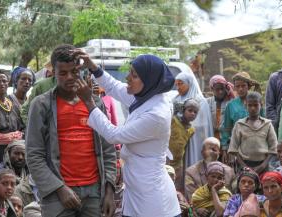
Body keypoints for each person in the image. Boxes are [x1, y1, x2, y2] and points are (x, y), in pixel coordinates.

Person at [75, 52, 181, 217]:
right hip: (137, 190)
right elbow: (113, 87)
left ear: (149, 80)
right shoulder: (146, 96)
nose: (127, 77)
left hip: (153, 199)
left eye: (134, 75)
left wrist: (89, 101)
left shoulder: (157, 114)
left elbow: (114, 135)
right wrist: (92, 66)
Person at [26, 44, 117, 217]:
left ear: (81, 70)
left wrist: (109, 191)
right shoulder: (40, 105)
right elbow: (33, 154)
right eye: (63, 73)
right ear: (53, 72)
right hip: (57, 194)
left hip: (94, 193)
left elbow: (108, 150)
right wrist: (59, 188)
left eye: (74, 72)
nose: (69, 77)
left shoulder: (95, 103)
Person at [228, 92, 277, 174]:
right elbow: (234, 149)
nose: (253, 108)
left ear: (261, 105)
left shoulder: (267, 124)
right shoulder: (239, 124)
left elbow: (273, 147)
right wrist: (244, 166)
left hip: (263, 165)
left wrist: (263, 165)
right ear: (245, 105)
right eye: (250, 105)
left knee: (263, 185)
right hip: (244, 164)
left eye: (256, 105)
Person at [221, 72, 264, 164]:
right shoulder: (231, 105)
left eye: (243, 86)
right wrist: (225, 148)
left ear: (248, 86)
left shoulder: (257, 103)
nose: (240, 89)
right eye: (237, 86)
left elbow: (264, 124)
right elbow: (226, 128)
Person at [174, 72, 214, 167]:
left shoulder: (200, 101)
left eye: (181, 83)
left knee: (191, 164)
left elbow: (203, 124)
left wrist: (185, 123)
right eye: (176, 84)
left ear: (189, 83)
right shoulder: (175, 99)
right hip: (178, 140)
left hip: (194, 139)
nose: (178, 87)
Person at [185, 137, 234, 201]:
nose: (212, 151)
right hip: (201, 207)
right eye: (209, 147)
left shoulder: (229, 171)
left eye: (215, 148)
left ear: (219, 153)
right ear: (202, 152)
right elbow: (192, 197)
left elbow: (232, 196)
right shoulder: (191, 172)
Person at [0, 71, 24, 166]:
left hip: (15, 151)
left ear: (8, 83)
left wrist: (18, 135)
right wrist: (3, 137)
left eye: (4, 81)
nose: (1, 83)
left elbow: (23, 126)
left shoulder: (14, 103)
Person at [168, 98, 199, 192]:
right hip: (166, 161)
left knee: (175, 189)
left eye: (195, 112)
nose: (192, 113)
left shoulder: (191, 130)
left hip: (178, 164)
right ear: (183, 110)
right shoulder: (173, 121)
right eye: (190, 110)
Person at [207, 75, 235, 141]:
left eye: (222, 89)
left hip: (227, 140)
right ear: (212, 89)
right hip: (211, 139)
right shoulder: (207, 102)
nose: (220, 92)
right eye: (217, 89)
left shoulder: (231, 103)